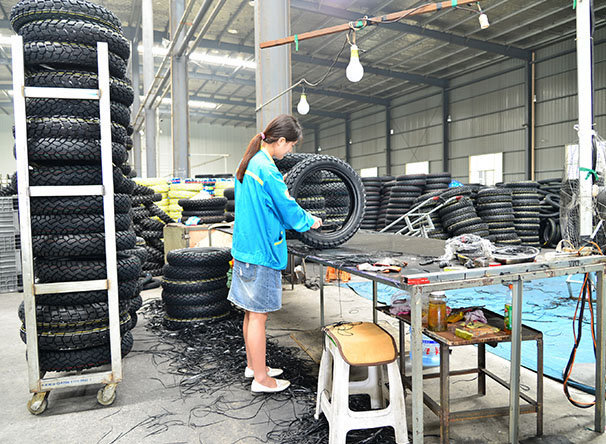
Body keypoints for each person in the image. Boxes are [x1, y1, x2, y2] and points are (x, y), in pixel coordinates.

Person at [228, 114, 322, 393]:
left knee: (250, 313)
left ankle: (254, 366)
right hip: (262, 252)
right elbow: (287, 209)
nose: (290, 150)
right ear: (280, 141)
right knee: (259, 316)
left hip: (246, 249)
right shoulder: (267, 169)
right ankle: (262, 380)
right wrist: (310, 221)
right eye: (290, 145)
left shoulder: (250, 161)